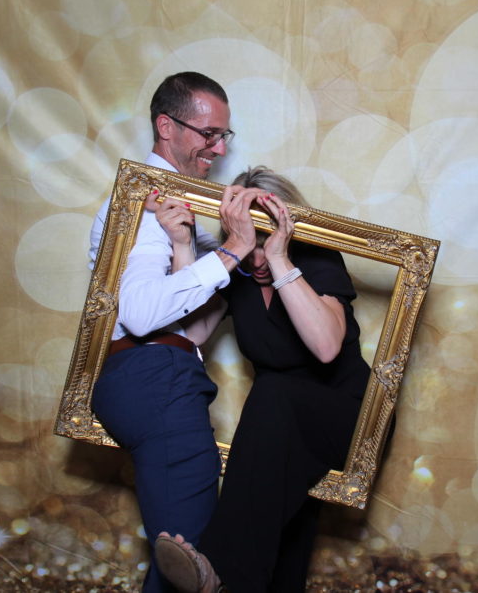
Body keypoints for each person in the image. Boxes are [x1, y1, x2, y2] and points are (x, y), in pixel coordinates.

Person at [153, 167, 371, 593]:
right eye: (247, 239)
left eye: (264, 238)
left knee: (273, 391)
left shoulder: (317, 258)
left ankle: (217, 572)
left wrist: (279, 258)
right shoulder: (238, 272)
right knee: (285, 528)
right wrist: (182, 247)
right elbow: (192, 333)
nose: (255, 259)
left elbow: (326, 347)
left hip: (345, 413)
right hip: (278, 426)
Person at [88, 71, 255, 593]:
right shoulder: (146, 201)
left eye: (224, 136)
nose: (219, 148)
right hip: (155, 377)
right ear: (167, 126)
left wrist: (209, 257)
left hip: (163, 375)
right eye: (209, 134)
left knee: (183, 566)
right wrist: (233, 251)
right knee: (196, 564)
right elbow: (140, 315)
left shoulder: (179, 210)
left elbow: (194, 332)